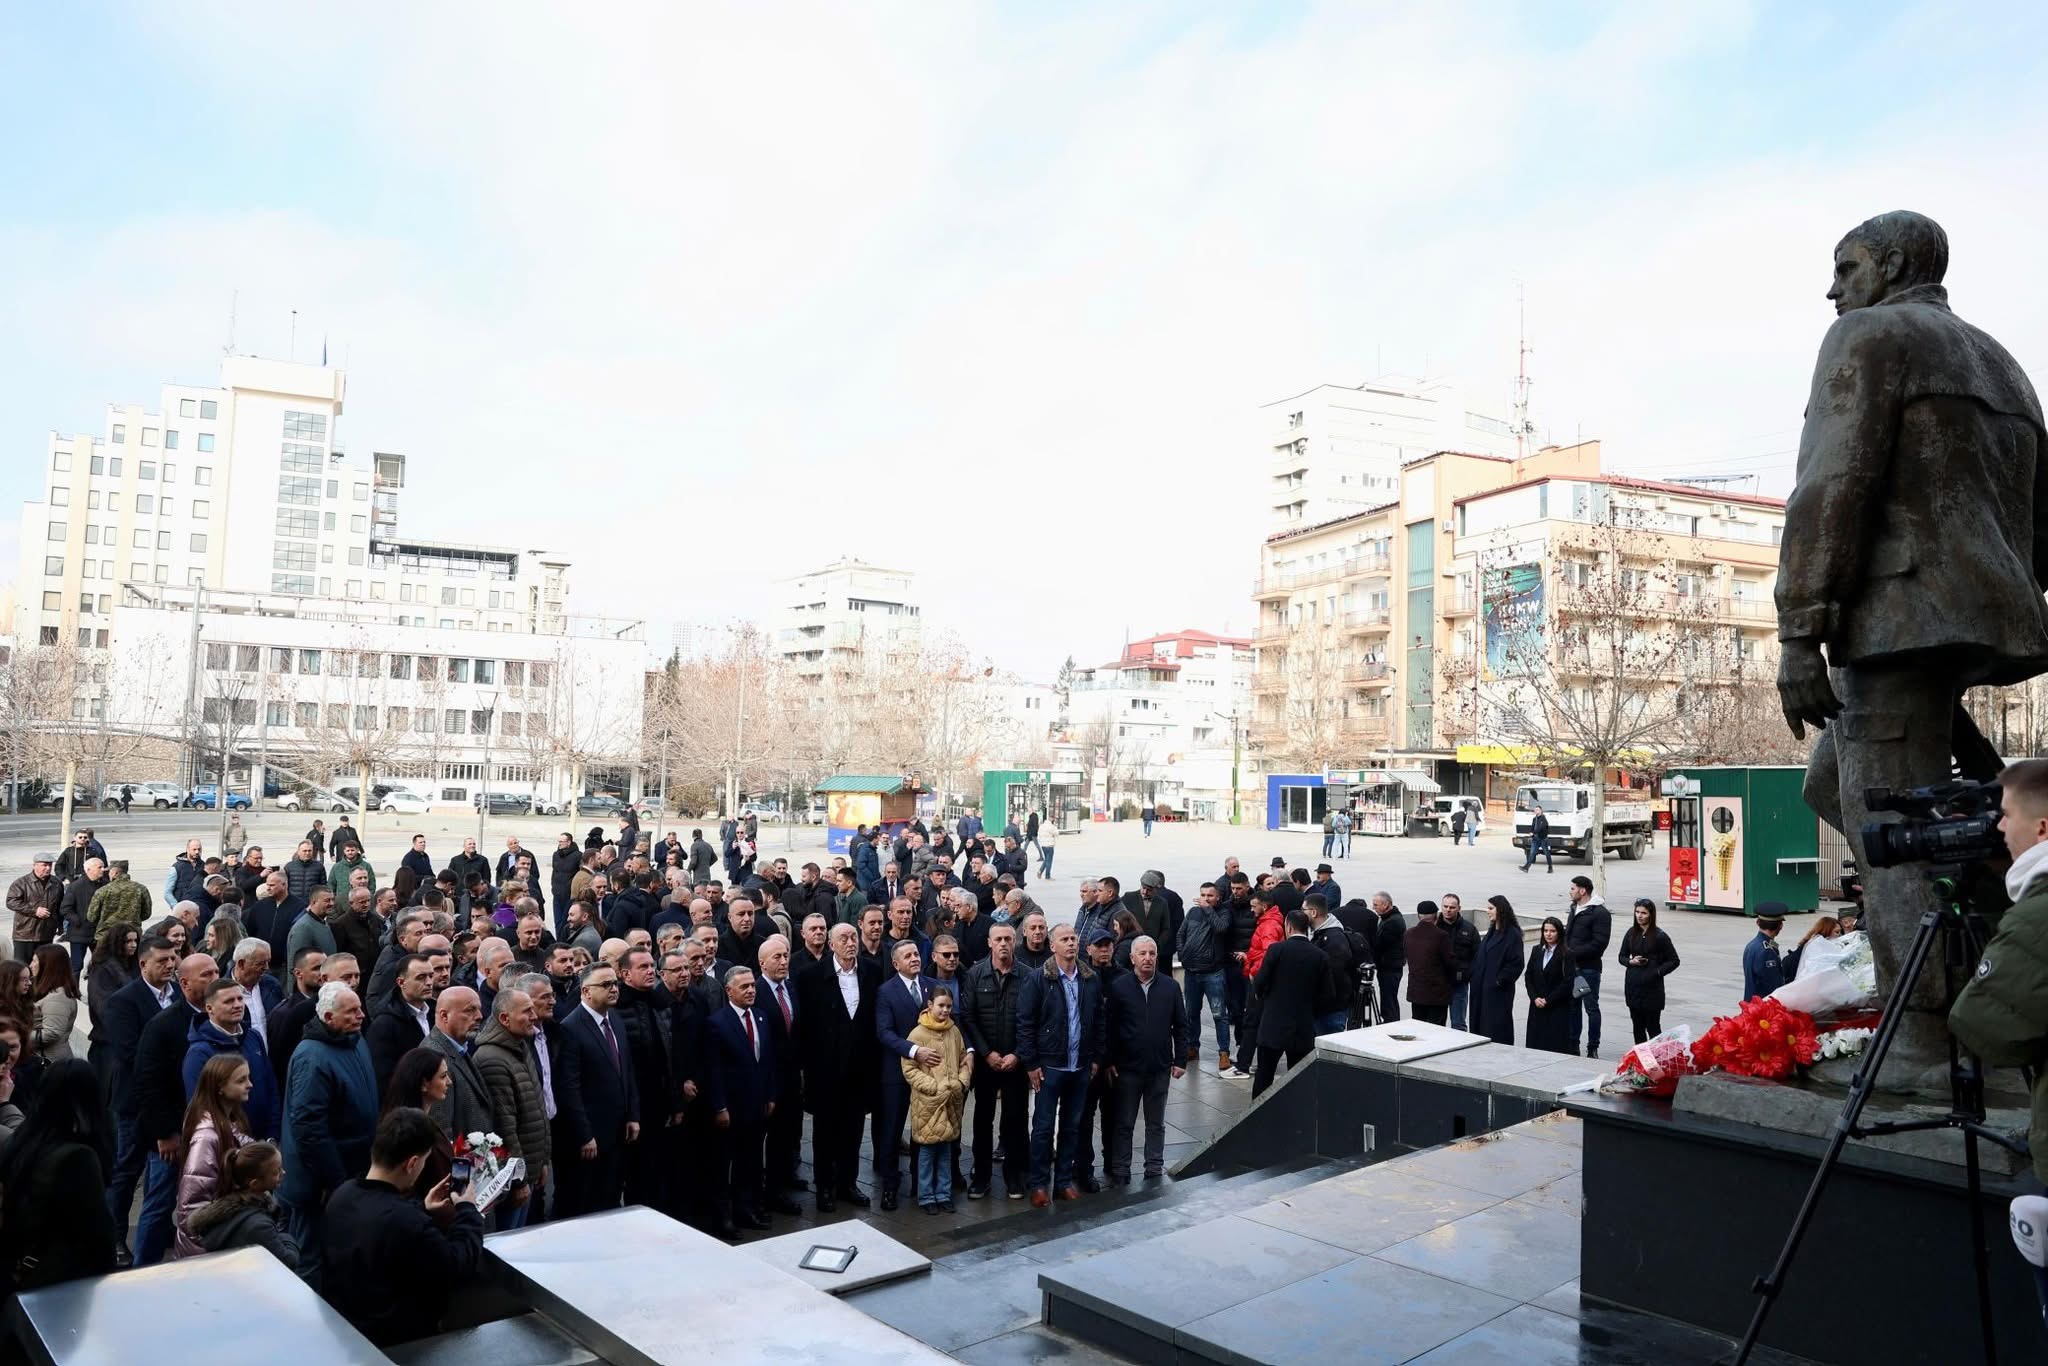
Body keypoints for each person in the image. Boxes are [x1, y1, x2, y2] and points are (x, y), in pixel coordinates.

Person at [1949, 758, 2048, 1325]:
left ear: (2041, 830)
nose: (1999, 829)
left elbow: (1985, 1027)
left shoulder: (2039, 915)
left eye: (2006, 815)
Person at [320, 1107, 486, 1346]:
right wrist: (467, 1210)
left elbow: (380, 1228)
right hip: (399, 1344)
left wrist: (423, 1209)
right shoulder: (407, 1222)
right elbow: (456, 1265)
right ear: (412, 1163)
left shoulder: (342, 1195)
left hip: (347, 1334)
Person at [280, 983, 379, 1283]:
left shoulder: (354, 1040)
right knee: (311, 1258)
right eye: (351, 1011)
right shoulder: (312, 1056)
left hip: (352, 1172)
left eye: (360, 1007)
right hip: (320, 1183)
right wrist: (334, 1180)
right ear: (327, 1016)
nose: (361, 1015)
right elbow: (309, 1129)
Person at [0, 1059, 118, 1289]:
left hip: (16, 1271)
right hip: (61, 1284)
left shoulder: (21, 1141)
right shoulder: (79, 1159)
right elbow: (98, 1237)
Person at [1016, 923, 1104, 1206]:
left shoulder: (1090, 978)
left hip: (1080, 1065)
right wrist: (1031, 1063)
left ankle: (1063, 1181)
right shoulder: (1039, 979)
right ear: (1052, 946)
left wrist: (1095, 1058)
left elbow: (1099, 1020)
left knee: (1072, 1126)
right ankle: (1039, 1183)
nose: (1071, 943)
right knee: (1042, 1128)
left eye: (1073, 938)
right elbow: (1026, 1023)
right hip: (1049, 1067)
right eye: (1064, 939)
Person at [793, 923, 877, 1212]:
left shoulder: (871, 972)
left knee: (853, 1130)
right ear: (831, 944)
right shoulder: (810, 977)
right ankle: (825, 1187)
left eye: (853, 937)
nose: (850, 942)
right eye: (843, 938)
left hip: (858, 1069)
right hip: (824, 1071)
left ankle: (848, 1183)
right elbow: (803, 1027)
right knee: (825, 1132)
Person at [553, 962, 639, 1217]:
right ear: (586, 991)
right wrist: (584, 1135)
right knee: (585, 1202)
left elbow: (627, 1071)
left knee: (611, 1197)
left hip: (618, 1131)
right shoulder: (571, 1028)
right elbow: (569, 1088)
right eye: (606, 984)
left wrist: (633, 1115)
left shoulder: (616, 1020)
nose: (614, 989)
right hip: (590, 1137)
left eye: (615, 983)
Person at [1104, 935, 1185, 1182]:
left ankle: (1153, 1167)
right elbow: (1110, 1027)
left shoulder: (1170, 987)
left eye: (1152, 953)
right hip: (1128, 1068)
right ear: (1132, 958)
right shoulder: (1119, 988)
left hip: (1159, 1067)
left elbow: (1181, 1025)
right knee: (1124, 1122)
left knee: (1156, 1123)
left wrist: (1180, 1059)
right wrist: (1109, 1061)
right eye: (1142, 954)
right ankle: (1120, 1169)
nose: (1147, 958)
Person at [702, 965, 775, 1236]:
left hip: (756, 1105)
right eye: (744, 987)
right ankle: (723, 1218)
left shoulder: (761, 1017)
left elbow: (766, 1061)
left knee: (751, 1161)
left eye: (753, 986)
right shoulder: (718, 1023)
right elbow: (714, 1070)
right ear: (728, 990)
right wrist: (719, 1106)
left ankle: (747, 1210)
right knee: (724, 1165)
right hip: (731, 1108)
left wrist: (769, 1095)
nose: (751, 991)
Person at [472, 988, 548, 1230]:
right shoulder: (493, 1059)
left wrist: (542, 1161)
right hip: (512, 1179)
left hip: (529, 1169)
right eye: (526, 1012)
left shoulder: (519, 1045)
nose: (534, 1016)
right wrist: (518, 1180)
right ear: (505, 1018)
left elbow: (535, 1107)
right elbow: (505, 1126)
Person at [873, 939, 937, 1212]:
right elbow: (884, 1032)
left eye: (916, 954)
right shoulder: (886, 992)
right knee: (892, 1129)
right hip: (896, 1071)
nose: (914, 959)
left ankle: (920, 1182)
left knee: (924, 1127)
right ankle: (890, 1184)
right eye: (907, 956)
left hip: (929, 1071)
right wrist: (913, 1051)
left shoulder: (931, 986)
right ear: (896, 963)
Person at [172, 1052, 252, 1258]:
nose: (250, 1084)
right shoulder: (207, 1136)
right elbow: (191, 1207)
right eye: (241, 1080)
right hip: (206, 1253)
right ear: (220, 1088)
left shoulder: (229, 1122)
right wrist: (212, 1245)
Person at [183, 977, 280, 1140]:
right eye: (228, 1001)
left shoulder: (253, 1037)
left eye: (240, 998)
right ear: (209, 1008)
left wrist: (273, 1134)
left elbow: (270, 1085)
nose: (237, 1005)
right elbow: (200, 1108)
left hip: (265, 1142)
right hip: (229, 1147)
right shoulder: (199, 1053)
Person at [1250, 910, 1334, 1097]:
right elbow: (1327, 995)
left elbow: (1260, 982)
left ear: (1288, 926)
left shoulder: (1276, 950)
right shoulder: (1319, 955)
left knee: (1264, 1075)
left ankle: (1258, 1115)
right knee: (1298, 1078)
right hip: (1302, 1027)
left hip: (1273, 1024)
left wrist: (1264, 997)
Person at [903, 982, 970, 1214]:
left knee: (946, 1151)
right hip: (929, 1102)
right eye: (941, 1006)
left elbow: (963, 1060)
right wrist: (932, 1086)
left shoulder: (954, 1031)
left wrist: (961, 1082)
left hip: (951, 1100)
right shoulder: (918, 1034)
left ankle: (943, 1193)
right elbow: (909, 1068)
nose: (945, 1011)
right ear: (930, 1005)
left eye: (949, 1007)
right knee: (927, 1152)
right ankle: (926, 1196)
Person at [185, 1140, 298, 1268]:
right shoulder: (259, 1226)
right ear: (255, 1184)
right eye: (276, 1172)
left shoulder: (231, 1209)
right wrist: (286, 1237)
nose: (283, 1173)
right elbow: (289, 1262)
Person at [1176, 882, 1233, 1069]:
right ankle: (1192, 1047)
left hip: (1213, 973)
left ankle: (1224, 1052)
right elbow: (1180, 934)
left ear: (1218, 897)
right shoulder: (1193, 912)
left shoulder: (1223, 913)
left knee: (1219, 1015)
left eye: (1210, 895)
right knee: (1191, 1013)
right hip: (1192, 972)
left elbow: (1220, 928)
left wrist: (1208, 909)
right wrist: (1183, 954)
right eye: (1203, 895)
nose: (1205, 899)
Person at [1619, 899, 1681, 1042]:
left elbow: (1674, 960)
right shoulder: (1631, 933)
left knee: (1652, 1026)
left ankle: (1657, 1058)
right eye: (1637, 912)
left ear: (1651, 915)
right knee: (1637, 1026)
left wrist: (1657, 972)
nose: (1639, 916)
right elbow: (1621, 956)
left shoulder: (1660, 936)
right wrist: (1630, 961)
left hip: (1652, 989)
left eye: (1644, 913)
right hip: (1633, 986)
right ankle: (1641, 1058)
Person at [1564, 875, 1611, 1059]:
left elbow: (1599, 944)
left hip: (1589, 969)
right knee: (1573, 1007)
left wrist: (1573, 952)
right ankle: (1573, 1044)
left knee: (1591, 1008)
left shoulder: (1600, 913)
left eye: (1573, 888)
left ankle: (1592, 1046)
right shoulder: (1574, 908)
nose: (1570, 891)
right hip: (1571, 968)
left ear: (1583, 890)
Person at [1469, 896, 1524, 1044]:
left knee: (1496, 1026)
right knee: (1479, 1023)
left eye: (1491, 908)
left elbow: (1516, 963)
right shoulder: (1493, 930)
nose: (1488, 912)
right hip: (1480, 988)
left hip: (1497, 991)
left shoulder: (1512, 934)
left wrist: (1499, 981)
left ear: (1501, 910)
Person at [1524, 917, 1575, 1054]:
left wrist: (1548, 1000)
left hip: (1556, 1008)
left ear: (1559, 933)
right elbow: (1528, 976)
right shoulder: (1537, 950)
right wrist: (1534, 998)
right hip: (1537, 1006)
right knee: (1535, 1045)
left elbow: (1567, 982)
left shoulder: (1567, 954)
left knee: (1553, 1045)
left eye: (1552, 931)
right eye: (1545, 930)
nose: (1548, 934)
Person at [1403, 901, 1455, 1026]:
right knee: (1436, 1029)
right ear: (1436, 916)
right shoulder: (1441, 936)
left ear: (1418, 916)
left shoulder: (1408, 934)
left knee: (1418, 1028)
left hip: (1416, 991)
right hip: (1437, 993)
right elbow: (1450, 962)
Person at [10, 852, 62, 964]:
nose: (48, 868)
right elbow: (11, 901)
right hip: (25, 934)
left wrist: (60, 925)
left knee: (44, 967)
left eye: (50, 865)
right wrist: (34, 910)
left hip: (46, 933)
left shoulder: (56, 883)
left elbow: (60, 906)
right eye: (44, 865)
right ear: (34, 865)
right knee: (22, 966)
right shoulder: (21, 883)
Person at [1438, 894, 1480, 1031]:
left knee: (1458, 1024)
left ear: (1459, 908)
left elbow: (1478, 957)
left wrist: (1466, 974)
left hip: (1459, 984)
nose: (1448, 910)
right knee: (1436, 1025)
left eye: (1452, 907)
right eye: (1445, 906)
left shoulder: (1469, 929)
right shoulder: (1434, 927)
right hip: (1437, 984)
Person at [31, 943, 79, 1062]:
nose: (30, 965)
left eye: (34, 961)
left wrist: (17, 1035)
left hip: (48, 1059)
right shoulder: (47, 990)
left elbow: (52, 1033)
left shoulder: (58, 997)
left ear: (48, 966)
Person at [1370, 891, 1407, 1025]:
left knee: (1388, 1000)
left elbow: (1380, 945)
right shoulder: (1391, 918)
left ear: (1386, 905)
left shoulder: (1392, 922)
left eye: (1376, 905)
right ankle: (1391, 1023)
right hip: (1390, 966)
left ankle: (1391, 1025)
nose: (1373, 908)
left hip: (1390, 967)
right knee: (1389, 999)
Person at [1743, 903, 1789, 1001]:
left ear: (1758, 922)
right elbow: (1774, 986)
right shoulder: (1766, 951)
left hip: (1752, 1006)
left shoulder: (1752, 945)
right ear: (1780, 926)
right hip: (1764, 1008)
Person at [1783, 915, 1843, 982]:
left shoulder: (1813, 944)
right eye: (1837, 932)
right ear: (1826, 932)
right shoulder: (1816, 947)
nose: (1839, 935)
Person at [1037, 815, 1057, 880]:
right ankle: (1047, 875)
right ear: (1052, 819)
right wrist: (1055, 825)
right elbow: (1056, 833)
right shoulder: (1051, 826)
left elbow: (1039, 834)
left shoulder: (1041, 826)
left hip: (1043, 845)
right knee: (1049, 861)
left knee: (1046, 859)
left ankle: (1040, 871)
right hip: (1050, 845)